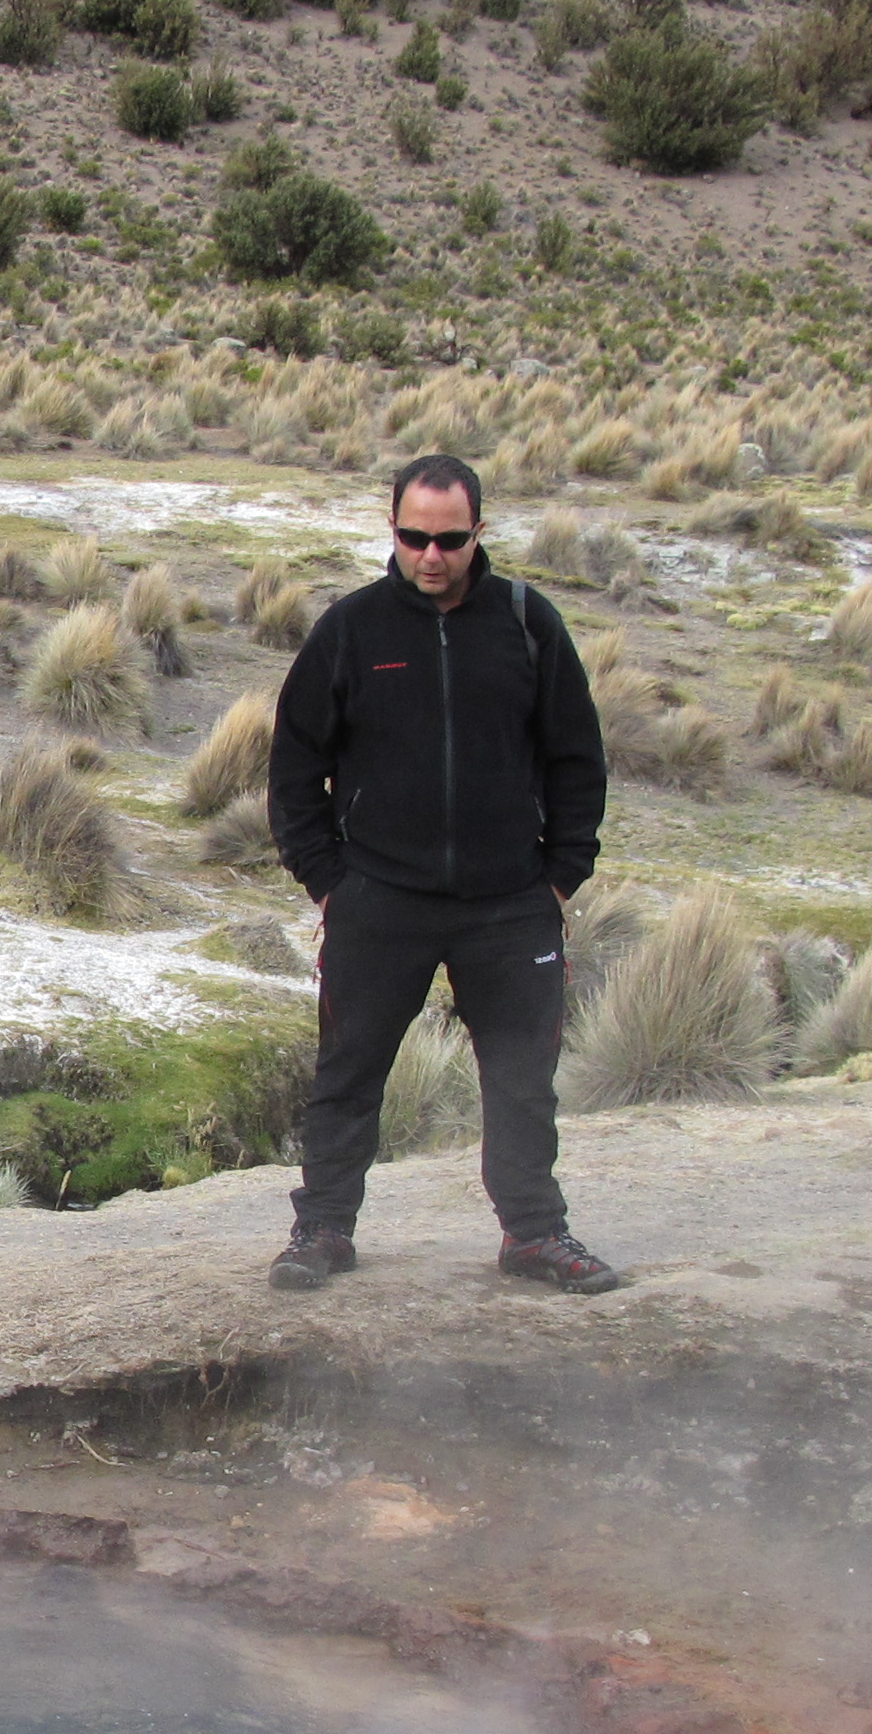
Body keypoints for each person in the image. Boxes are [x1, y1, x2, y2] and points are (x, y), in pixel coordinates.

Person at [265, 453, 628, 1296]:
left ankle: (534, 1235)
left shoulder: (529, 625)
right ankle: (322, 1230)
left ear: (480, 532)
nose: (431, 555)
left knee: (521, 1081)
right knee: (349, 1074)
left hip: (509, 905)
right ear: (390, 528)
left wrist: (561, 876)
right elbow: (293, 766)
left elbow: (579, 758)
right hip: (379, 902)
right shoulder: (350, 631)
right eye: (414, 537)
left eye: (450, 539)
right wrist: (329, 880)